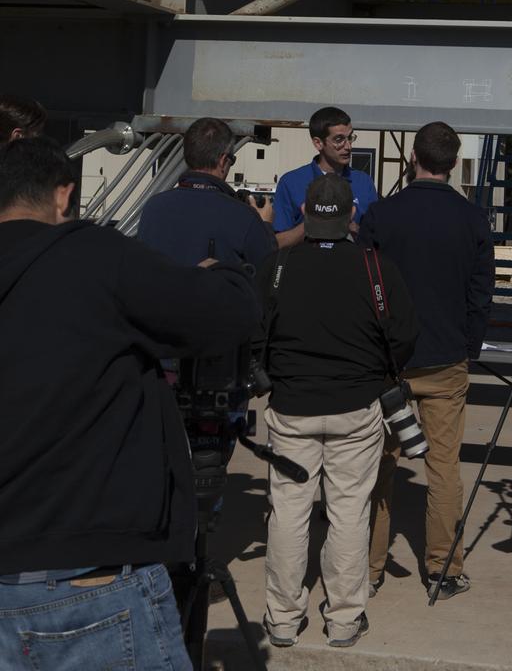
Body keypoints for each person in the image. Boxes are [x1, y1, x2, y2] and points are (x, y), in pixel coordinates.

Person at [0, 136, 260, 670]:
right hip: (85, 587)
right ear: (63, 195)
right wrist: (223, 274)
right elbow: (225, 318)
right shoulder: (89, 256)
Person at [258, 174, 417, 649]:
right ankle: (345, 618)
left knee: (288, 510)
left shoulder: (278, 265)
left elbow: (253, 332)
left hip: (291, 408)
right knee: (349, 512)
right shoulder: (376, 267)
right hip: (356, 407)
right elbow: (405, 335)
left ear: (304, 213)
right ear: (352, 215)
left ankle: (283, 618)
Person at [363, 121, 495, 600]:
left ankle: (370, 567)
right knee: (444, 467)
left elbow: (365, 288)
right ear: (454, 164)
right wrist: (469, 346)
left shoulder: (381, 214)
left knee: (377, 466)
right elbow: (482, 293)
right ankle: (443, 567)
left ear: (412, 157)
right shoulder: (473, 219)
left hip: (387, 361)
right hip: (445, 359)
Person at [138, 116, 275, 268]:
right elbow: (269, 274)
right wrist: (266, 226)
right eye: (231, 160)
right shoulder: (243, 217)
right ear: (223, 161)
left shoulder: (153, 208)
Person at [272, 106, 378, 248]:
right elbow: (277, 242)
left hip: (350, 267)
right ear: (318, 143)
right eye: (339, 139)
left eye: (350, 137)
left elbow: (376, 239)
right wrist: (316, 224)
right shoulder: (291, 182)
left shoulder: (364, 182)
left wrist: (354, 229)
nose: (348, 146)